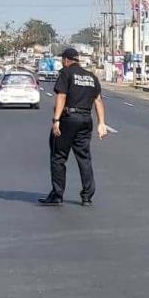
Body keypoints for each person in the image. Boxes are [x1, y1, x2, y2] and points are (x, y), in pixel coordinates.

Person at [39, 48, 108, 206]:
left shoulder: (66, 73)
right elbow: (98, 101)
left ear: (66, 60)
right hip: (86, 119)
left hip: (69, 119)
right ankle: (87, 196)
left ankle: (57, 194)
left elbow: (61, 95)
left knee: (58, 156)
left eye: (63, 60)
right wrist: (101, 123)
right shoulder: (91, 77)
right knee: (84, 158)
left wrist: (56, 120)